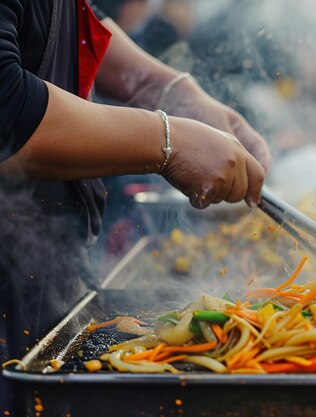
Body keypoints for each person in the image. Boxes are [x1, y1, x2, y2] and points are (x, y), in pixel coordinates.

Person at [0, 0, 271, 413]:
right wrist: (168, 142)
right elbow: (8, 115)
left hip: (44, 281)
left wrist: (172, 91)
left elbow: (70, 21)